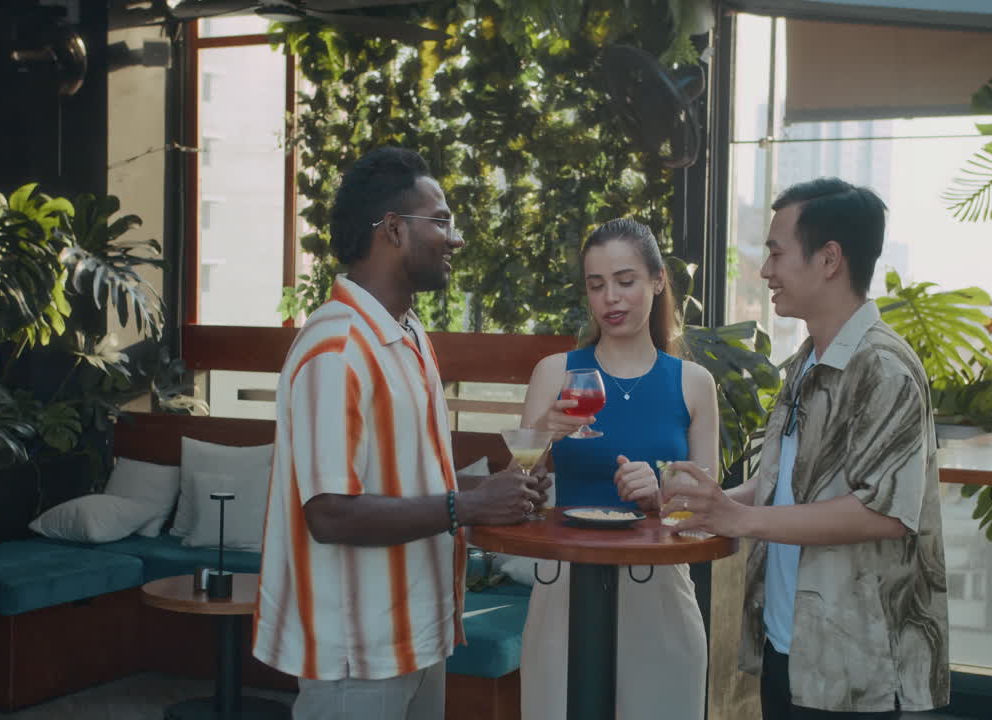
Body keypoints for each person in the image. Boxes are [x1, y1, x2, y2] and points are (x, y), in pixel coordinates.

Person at [253, 146, 549, 720]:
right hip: (356, 656)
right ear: (392, 229)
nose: (454, 239)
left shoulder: (408, 333)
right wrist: (468, 505)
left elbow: (411, 475)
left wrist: (512, 484)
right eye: (440, 221)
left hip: (416, 637)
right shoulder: (336, 349)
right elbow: (330, 514)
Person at [666, 178, 949, 719]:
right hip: (789, 648)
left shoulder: (884, 368)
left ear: (829, 259)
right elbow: (783, 483)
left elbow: (884, 513)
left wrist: (741, 519)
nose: (765, 271)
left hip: (856, 669)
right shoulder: (807, 362)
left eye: (775, 252)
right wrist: (714, 502)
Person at [518, 217, 719, 720]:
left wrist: (660, 500)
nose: (611, 298)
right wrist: (545, 430)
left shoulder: (694, 383)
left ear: (656, 281)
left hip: (661, 597)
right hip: (564, 590)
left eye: (626, 281)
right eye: (596, 285)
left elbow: (707, 515)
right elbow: (518, 490)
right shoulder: (555, 372)